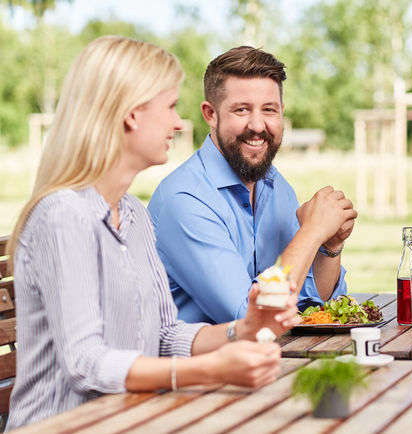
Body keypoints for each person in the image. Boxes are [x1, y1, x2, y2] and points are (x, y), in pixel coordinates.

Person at [5, 36, 300, 430]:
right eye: (171, 106)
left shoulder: (133, 214)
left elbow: (164, 335)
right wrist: (210, 370)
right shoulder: (63, 216)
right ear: (131, 115)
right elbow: (84, 363)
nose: (179, 123)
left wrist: (242, 329)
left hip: (133, 419)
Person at [147, 46, 357, 324]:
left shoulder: (277, 187)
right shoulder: (185, 199)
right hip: (197, 365)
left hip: (272, 360)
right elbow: (250, 317)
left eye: (269, 110)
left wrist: (329, 245)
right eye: (242, 110)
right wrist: (311, 232)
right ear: (210, 114)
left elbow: (307, 300)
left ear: (281, 112)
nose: (257, 125)